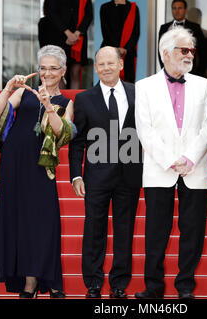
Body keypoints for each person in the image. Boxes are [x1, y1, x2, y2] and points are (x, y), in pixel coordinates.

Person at [0, 45, 75, 299]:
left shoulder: (66, 102)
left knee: (43, 223)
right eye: (43, 68)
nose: (47, 73)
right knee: (20, 224)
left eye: (53, 68)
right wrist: (8, 89)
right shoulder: (24, 94)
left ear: (63, 71)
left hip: (41, 169)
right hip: (14, 163)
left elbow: (62, 133)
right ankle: (29, 283)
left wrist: (48, 105)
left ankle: (50, 279)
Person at [134, 27, 207, 299]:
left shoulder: (205, 85)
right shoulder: (144, 87)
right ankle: (153, 287)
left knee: (193, 232)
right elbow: (145, 130)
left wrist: (190, 157)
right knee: (156, 232)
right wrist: (170, 160)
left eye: (192, 50)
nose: (189, 54)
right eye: (184, 49)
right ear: (165, 52)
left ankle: (185, 287)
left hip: (196, 167)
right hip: (159, 168)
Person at [68, 46, 142, 299]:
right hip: (96, 176)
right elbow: (78, 142)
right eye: (101, 64)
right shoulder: (85, 99)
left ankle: (119, 284)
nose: (106, 68)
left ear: (121, 64)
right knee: (94, 230)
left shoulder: (137, 93)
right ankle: (93, 283)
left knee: (125, 230)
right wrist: (76, 174)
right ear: (95, 68)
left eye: (111, 63)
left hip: (129, 174)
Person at [38, 0, 93, 89]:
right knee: (60, 74)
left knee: (76, 73)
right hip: (58, 36)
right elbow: (52, 12)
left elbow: (88, 15)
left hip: (78, 38)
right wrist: (68, 33)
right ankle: (60, 102)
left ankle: (74, 102)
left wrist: (77, 34)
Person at [158, 0, 206, 77]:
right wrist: (165, 70)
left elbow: (203, 52)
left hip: (191, 73)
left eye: (180, 8)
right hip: (169, 72)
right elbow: (161, 50)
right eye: (174, 8)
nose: (177, 11)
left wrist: (198, 73)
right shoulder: (164, 28)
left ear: (185, 10)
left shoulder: (195, 27)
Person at [100, 0, 140, 83]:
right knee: (110, 81)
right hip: (109, 51)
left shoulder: (133, 8)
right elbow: (106, 31)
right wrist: (116, 49)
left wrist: (126, 48)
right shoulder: (105, 7)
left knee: (128, 84)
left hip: (128, 52)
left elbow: (136, 32)